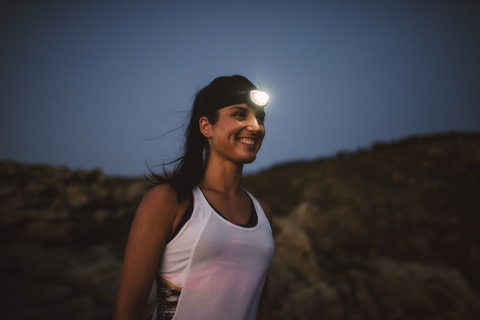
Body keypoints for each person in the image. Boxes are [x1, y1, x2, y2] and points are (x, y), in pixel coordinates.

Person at [112, 75, 275, 320]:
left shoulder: (262, 213)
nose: (255, 127)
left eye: (260, 118)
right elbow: (127, 310)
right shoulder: (170, 201)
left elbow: (260, 305)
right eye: (240, 115)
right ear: (206, 126)